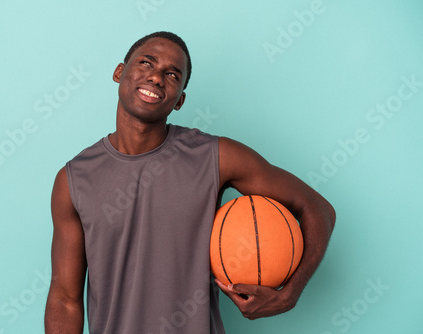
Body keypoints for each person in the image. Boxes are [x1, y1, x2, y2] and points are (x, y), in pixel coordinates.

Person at [44, 31, 335, 334]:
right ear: (120, 72)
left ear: (180, 99)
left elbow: (318, 209)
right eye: (146, 63)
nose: (156, 77)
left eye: (172, 74)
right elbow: (65, 299)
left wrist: (289, 295)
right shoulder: (73, 179)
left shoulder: (216, 157)